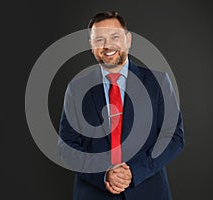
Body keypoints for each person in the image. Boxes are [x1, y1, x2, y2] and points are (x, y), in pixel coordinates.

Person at [58, 11, 184, 200]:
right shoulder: (76, 89)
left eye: (114, 37)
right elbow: (67, 147)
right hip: (94, 193)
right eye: (99, 39)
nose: (107, 45)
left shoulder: (157, 82)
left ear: (128, 39)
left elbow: (173, 137)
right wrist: (103, 173)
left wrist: (134, 171)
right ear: (91, 45)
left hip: (148, 191)